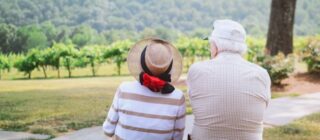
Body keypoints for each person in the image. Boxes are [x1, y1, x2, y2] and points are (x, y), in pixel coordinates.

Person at [187, 19, 271, 140]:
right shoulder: (262, 74)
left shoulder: (196, 70)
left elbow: (194, 102)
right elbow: (263, 107)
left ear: (215, 45)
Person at [103, 38, 186, 140]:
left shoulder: (124, 89)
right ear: (169, 67)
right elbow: (177, 138)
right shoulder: (177, 98)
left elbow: (108, 130)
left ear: (142, 63)